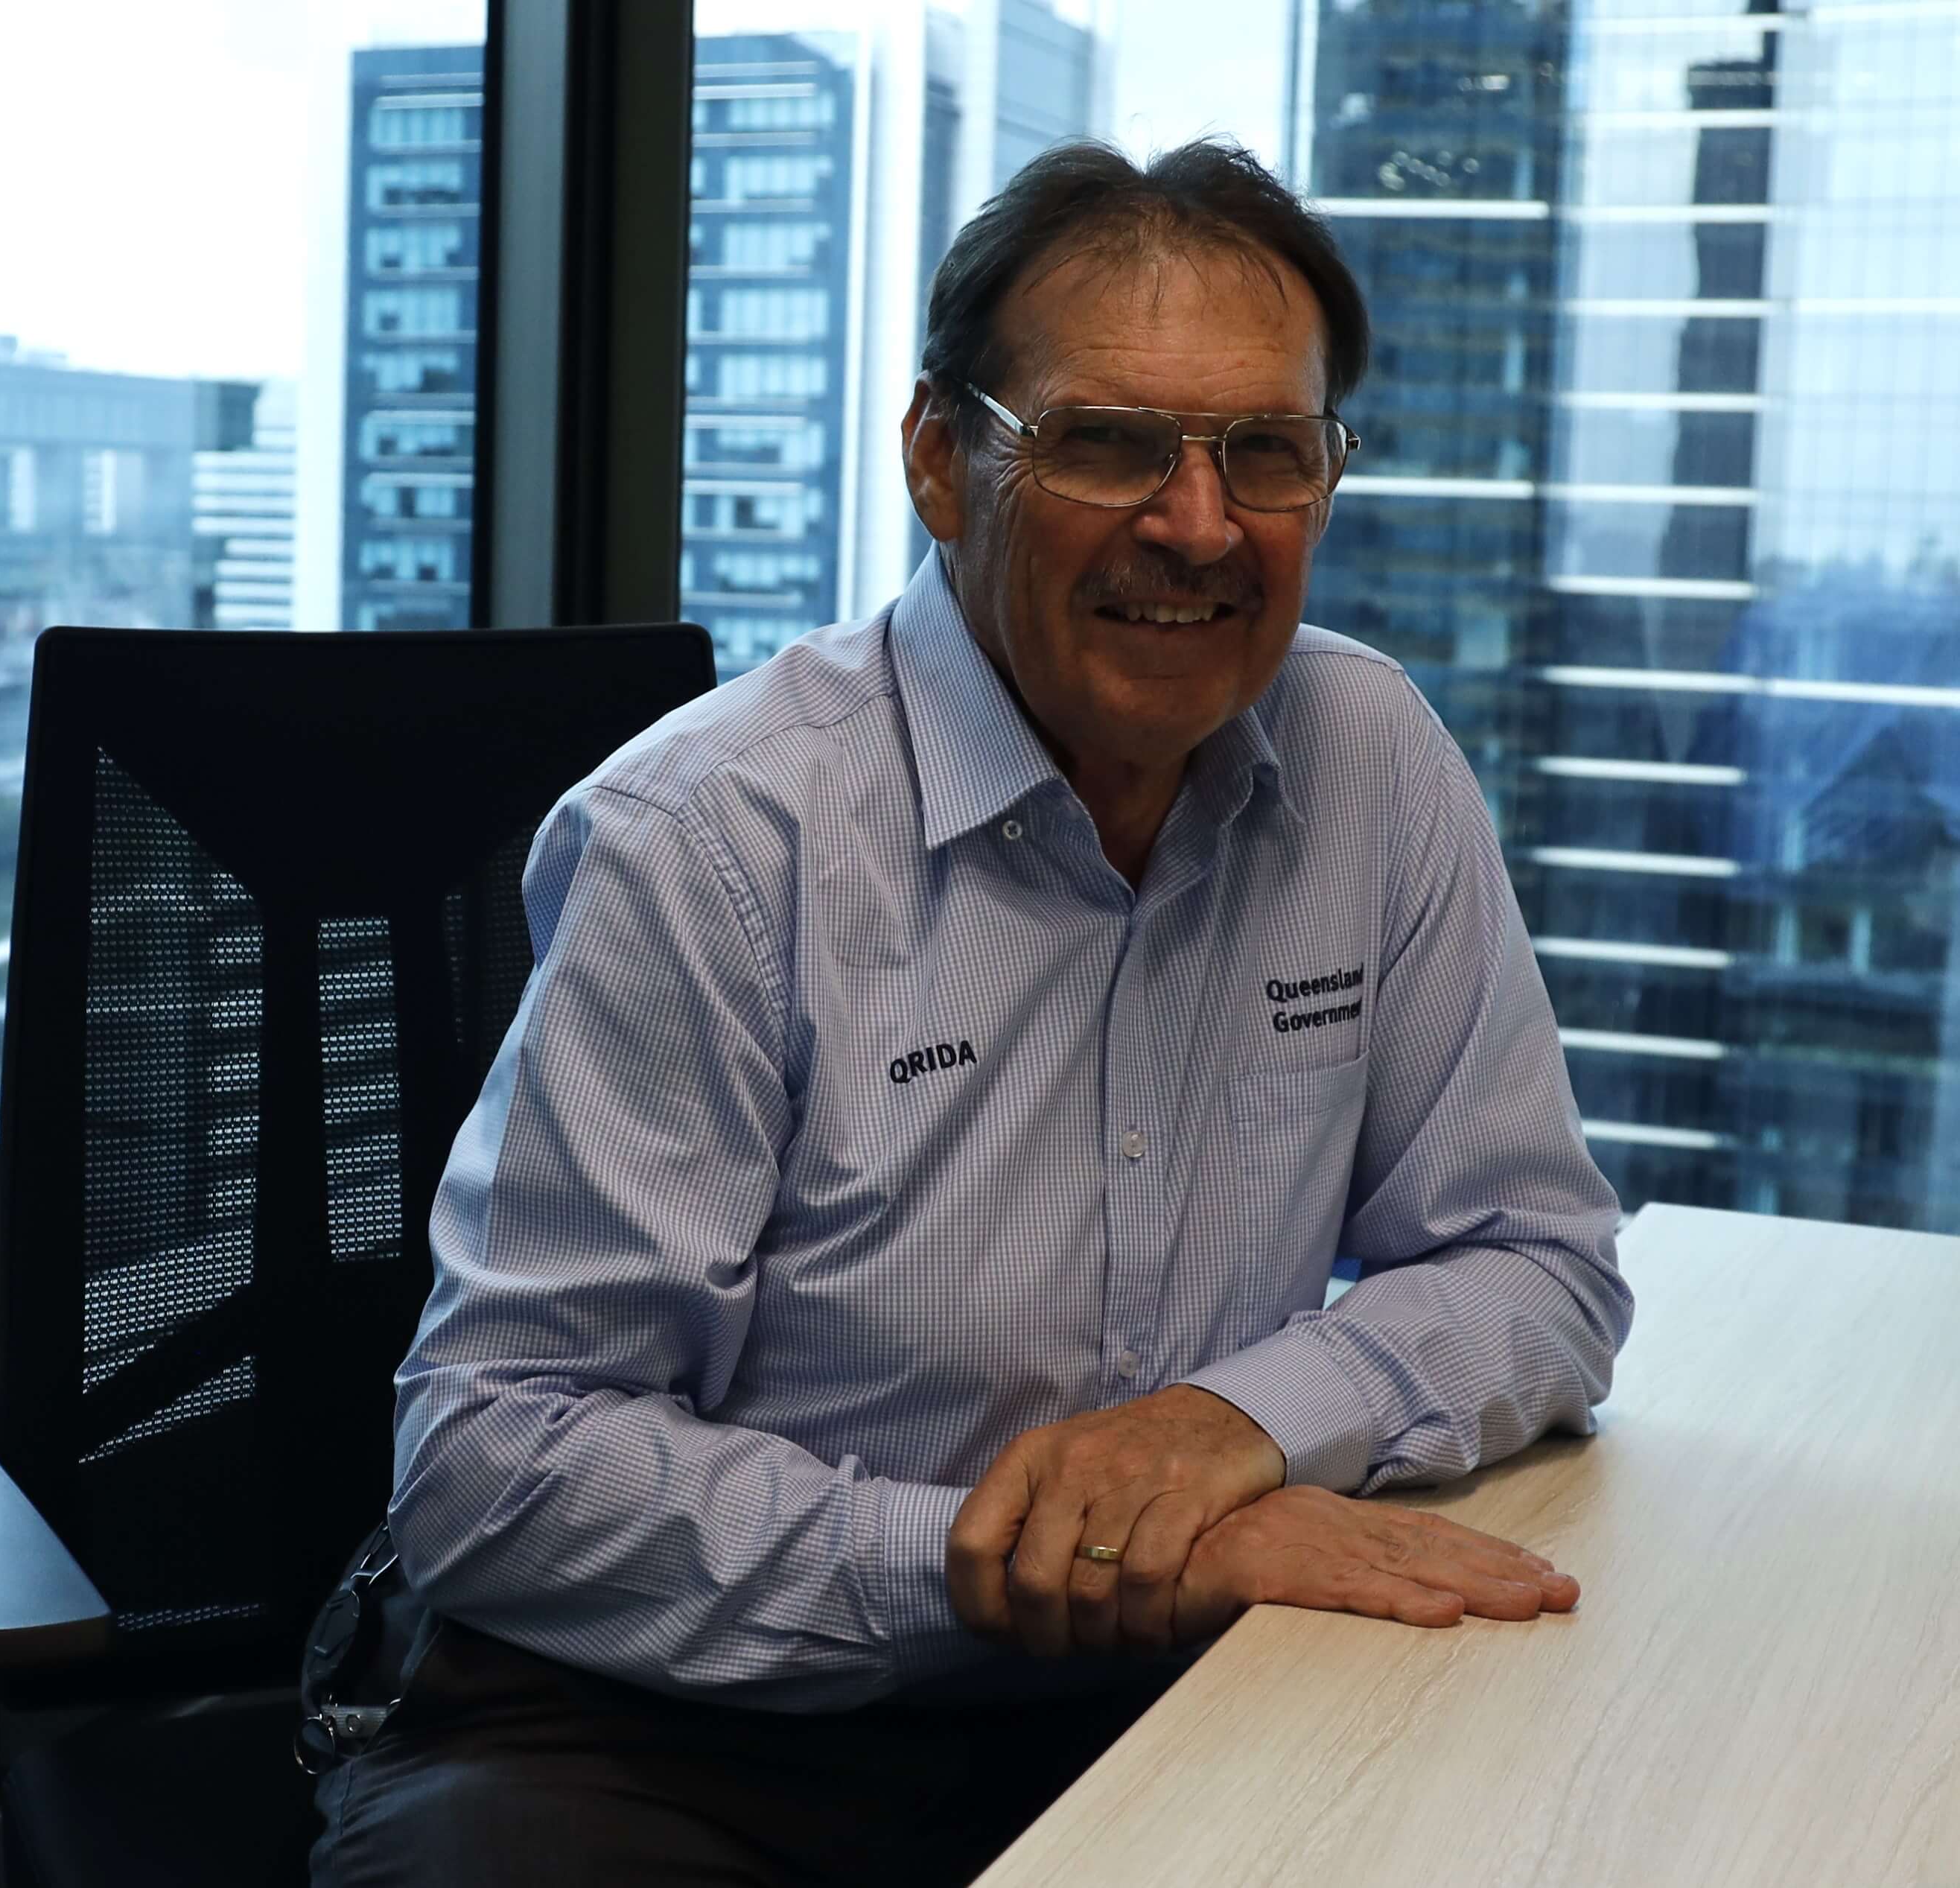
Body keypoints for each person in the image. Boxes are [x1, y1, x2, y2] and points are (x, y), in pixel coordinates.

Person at [308, 139, 1633, 1888]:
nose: (1199, 526)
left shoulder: (1366, 755)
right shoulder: (715, 838)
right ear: (943, 459)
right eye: (1105, 444)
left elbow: (1540, 1260)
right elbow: (501, 1463)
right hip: (670, 1726)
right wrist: (1020, 1557)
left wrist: (1229, 1426)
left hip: (1178, 1682)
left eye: (1267, 453)